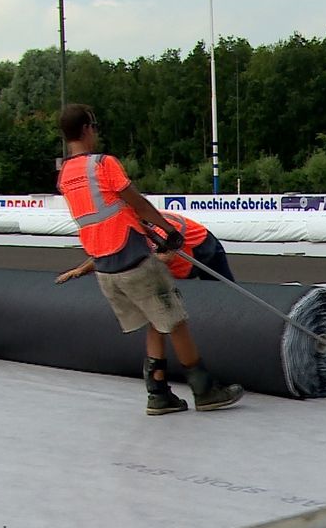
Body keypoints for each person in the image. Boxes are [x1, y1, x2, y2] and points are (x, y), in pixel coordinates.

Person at [56, 103, 243, 416]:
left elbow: (108, 214)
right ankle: (205, 389)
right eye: (95, 126)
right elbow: (137, 202)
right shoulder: (102, 164)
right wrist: (170, 230)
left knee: (156, 323)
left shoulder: (65, 175)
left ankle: (158, 392)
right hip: (132, 259)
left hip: (105, 269)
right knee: (175, 320)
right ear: (88, 128)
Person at [56, 211, 235, 284]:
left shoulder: (162, 227)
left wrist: (129, 260)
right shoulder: (129, 230)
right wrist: (79, 270)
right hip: (181, 265)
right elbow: (110, 253)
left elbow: (165, 257)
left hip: (203, 250)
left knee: (222, 289)